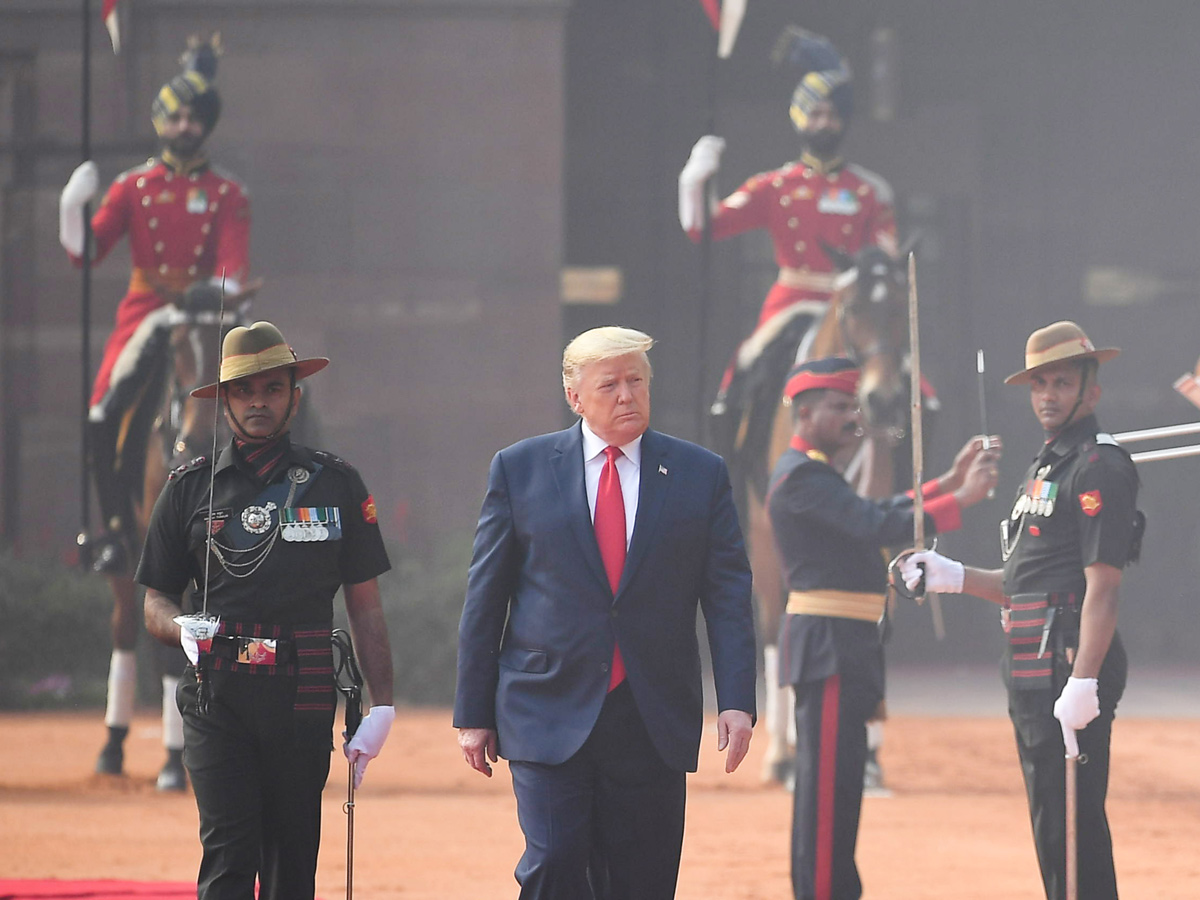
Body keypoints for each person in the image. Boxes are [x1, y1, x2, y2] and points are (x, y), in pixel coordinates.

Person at [454, 326, 758, 899]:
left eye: (636, 381)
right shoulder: (520, 469)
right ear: (575, 396)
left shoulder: (699, 474)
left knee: (642, 879)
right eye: (610, 384)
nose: (627, 395)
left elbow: (727, 595)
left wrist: (737, 699)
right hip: (546, 705)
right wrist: (473, 711)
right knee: (554, 863)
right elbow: (486, 598)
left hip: (651, 711)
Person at [139, 321, 395, 900]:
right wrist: (179, 627)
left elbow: (366, 606)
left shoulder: (336, 485)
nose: (259, 401)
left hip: (301, 697)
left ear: (293, 396)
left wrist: (383, 703)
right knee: (229, 860)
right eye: (244, 391)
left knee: (291, 869)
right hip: (217, 695)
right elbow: (154, 598)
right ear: (224, 400)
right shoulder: (188, 489)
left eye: (273, 388)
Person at [58, 35, 251, 787]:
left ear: (205, 125)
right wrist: (75, 207)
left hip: (203, 315)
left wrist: (218, 295)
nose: (184, 130)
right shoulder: (134, 188)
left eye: (194, 121)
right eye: (174, 120)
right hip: (147, 312)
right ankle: (110, 530)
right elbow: (87, 252)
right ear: (160, 121)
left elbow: (231, 261)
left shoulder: (228, 193)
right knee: (104, 408)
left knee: (270, 401)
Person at [900, 321, 1142, 900]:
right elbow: (1021, 583)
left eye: (1061, 382)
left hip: (1065, 664)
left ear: (1092, 390)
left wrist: (1084, 682)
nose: (1048, 395)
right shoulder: (1046, 467)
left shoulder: (1097, 467)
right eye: (1039, 384)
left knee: (1074, 834)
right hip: (1034, 664)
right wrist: (951, 577)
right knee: (1053, 831)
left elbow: (1102, 589)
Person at [768, 357, 1000, 900]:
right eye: (839, 406)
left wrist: (947, 482)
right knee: (827, 800)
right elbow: (871, 523)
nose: (853, 415)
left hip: (841, 647)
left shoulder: (814, 473)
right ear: (804, 412)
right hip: (828, 649)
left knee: (839, 792)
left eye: (853, 404)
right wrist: (960, 500)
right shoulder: (802, 474)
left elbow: (874, 509)